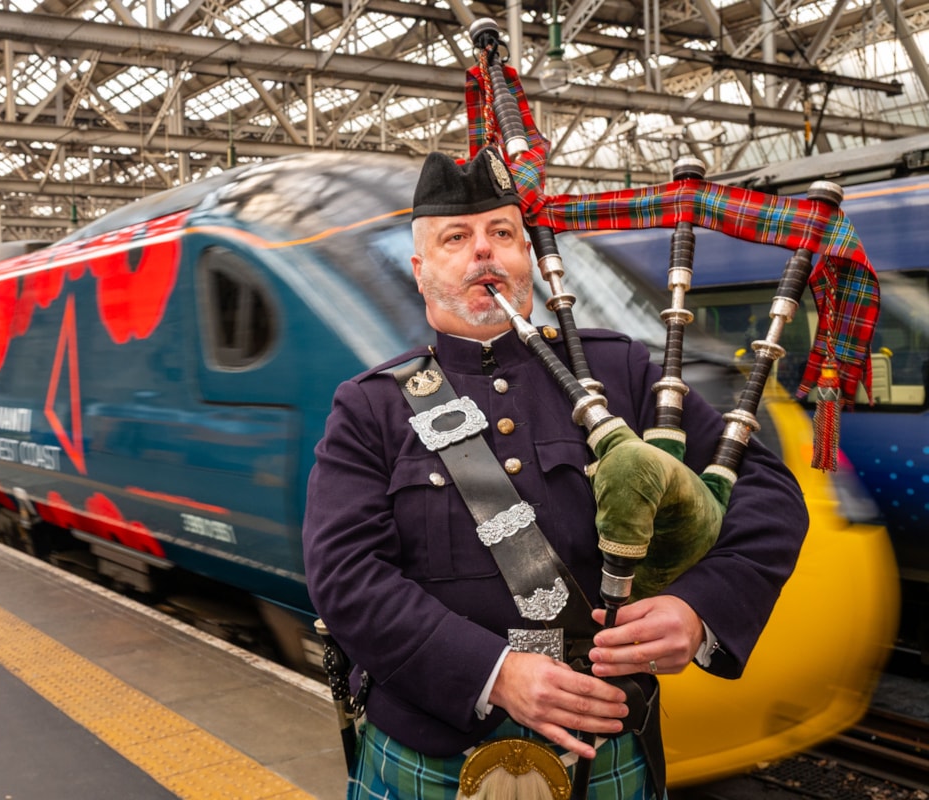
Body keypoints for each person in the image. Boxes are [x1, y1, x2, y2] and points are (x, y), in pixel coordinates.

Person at [302, 147, 808, 799]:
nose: (485, 251)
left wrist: (697, 610)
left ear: (528, 263)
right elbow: (343, 576)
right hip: (432, 750)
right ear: (421, 273)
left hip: (604, 748)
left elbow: (767, 495)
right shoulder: (371, 406)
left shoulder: (620, 374)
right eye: (457, 237)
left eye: (503, 234)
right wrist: (495, 674)